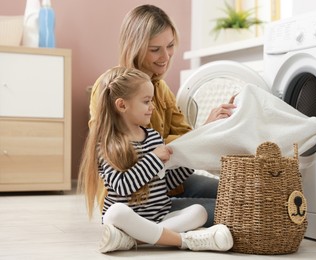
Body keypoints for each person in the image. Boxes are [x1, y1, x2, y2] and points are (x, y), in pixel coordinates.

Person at [88, 4, 236, 227]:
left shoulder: (161, 89)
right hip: (134, 198)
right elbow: (118, 147)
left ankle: (165, 228)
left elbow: (183, 142)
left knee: (235, 194)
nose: (165, 56)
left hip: (164, 182)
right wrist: (169, 150)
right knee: (227, 209)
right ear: (135, 48)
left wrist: (207, 129)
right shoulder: (110, 87)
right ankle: (157, 230)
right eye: (155, 49)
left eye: (170, 46)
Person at [78, 67, 233, 253]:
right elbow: (122, 186)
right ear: (122, 105)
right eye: (146, 101)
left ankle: (132, 239)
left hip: (160, 215)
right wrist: (153, 159)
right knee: (115, 212)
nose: (152, 106)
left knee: (198, 211)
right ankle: (185, 240)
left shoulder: (152, 137)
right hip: (128, 219)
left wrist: (189, 161)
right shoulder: (107, 144)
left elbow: (165, 182)